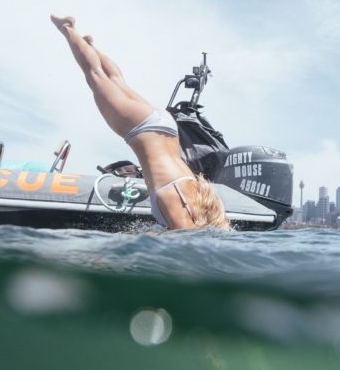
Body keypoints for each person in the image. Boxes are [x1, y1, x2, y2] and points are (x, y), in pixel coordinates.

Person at [51, 15, 231, 231]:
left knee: (117, 81)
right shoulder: (183, 218)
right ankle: (67, 27)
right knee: (95, 76)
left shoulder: (199, 199)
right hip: (143, 129)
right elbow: (181, 242)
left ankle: (90, 45)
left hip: (165, 124)